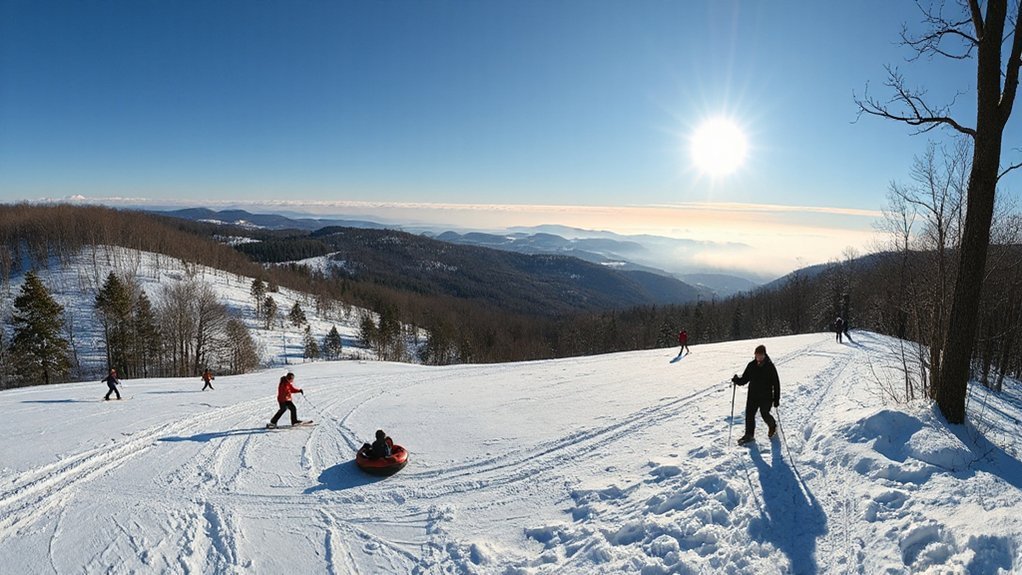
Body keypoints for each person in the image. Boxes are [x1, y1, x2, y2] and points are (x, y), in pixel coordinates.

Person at [731, 344, 780, 445]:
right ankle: (749, 434)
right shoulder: (751, 365)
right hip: (753, 395)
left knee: (764, 413)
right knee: (749, 414)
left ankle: (772, 425)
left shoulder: (770, 366)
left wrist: (776, 399)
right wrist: (737, 380)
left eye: (760, 355)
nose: (758, 357)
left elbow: (776, 383)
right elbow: (745, 379)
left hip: (766, 397)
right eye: (757, 355)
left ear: (764, 355)